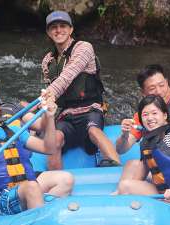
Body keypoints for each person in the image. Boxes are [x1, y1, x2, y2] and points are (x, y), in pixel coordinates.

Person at [0, 91, 74, 216]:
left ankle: (36, 208)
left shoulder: (14, 132)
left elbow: (49, 148)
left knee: (66, 179)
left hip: (25, 187)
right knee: (32, 187)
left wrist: (50, 118)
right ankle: (38, 209)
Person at [41, 10, 120, 169]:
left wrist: (47, 95)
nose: (58, 30)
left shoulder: (84, 48)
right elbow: (50, 96)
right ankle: (56, 181)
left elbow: (67, 76)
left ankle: (116, 166)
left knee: (93, 131)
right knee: (55, 139)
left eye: (63, 26)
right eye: (54, 27)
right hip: (66, 115)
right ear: (49, 32)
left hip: (91, 109)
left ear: (71, 30)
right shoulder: (47, 61)